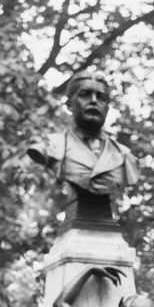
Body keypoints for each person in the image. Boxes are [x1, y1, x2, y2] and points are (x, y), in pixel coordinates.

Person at [27, 70, 140, 221]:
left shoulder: (125, 156)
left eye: (101, 97)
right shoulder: (50, 146)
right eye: (85, 94)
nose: (94, 101)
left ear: (107, 107)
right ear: (69, 105)